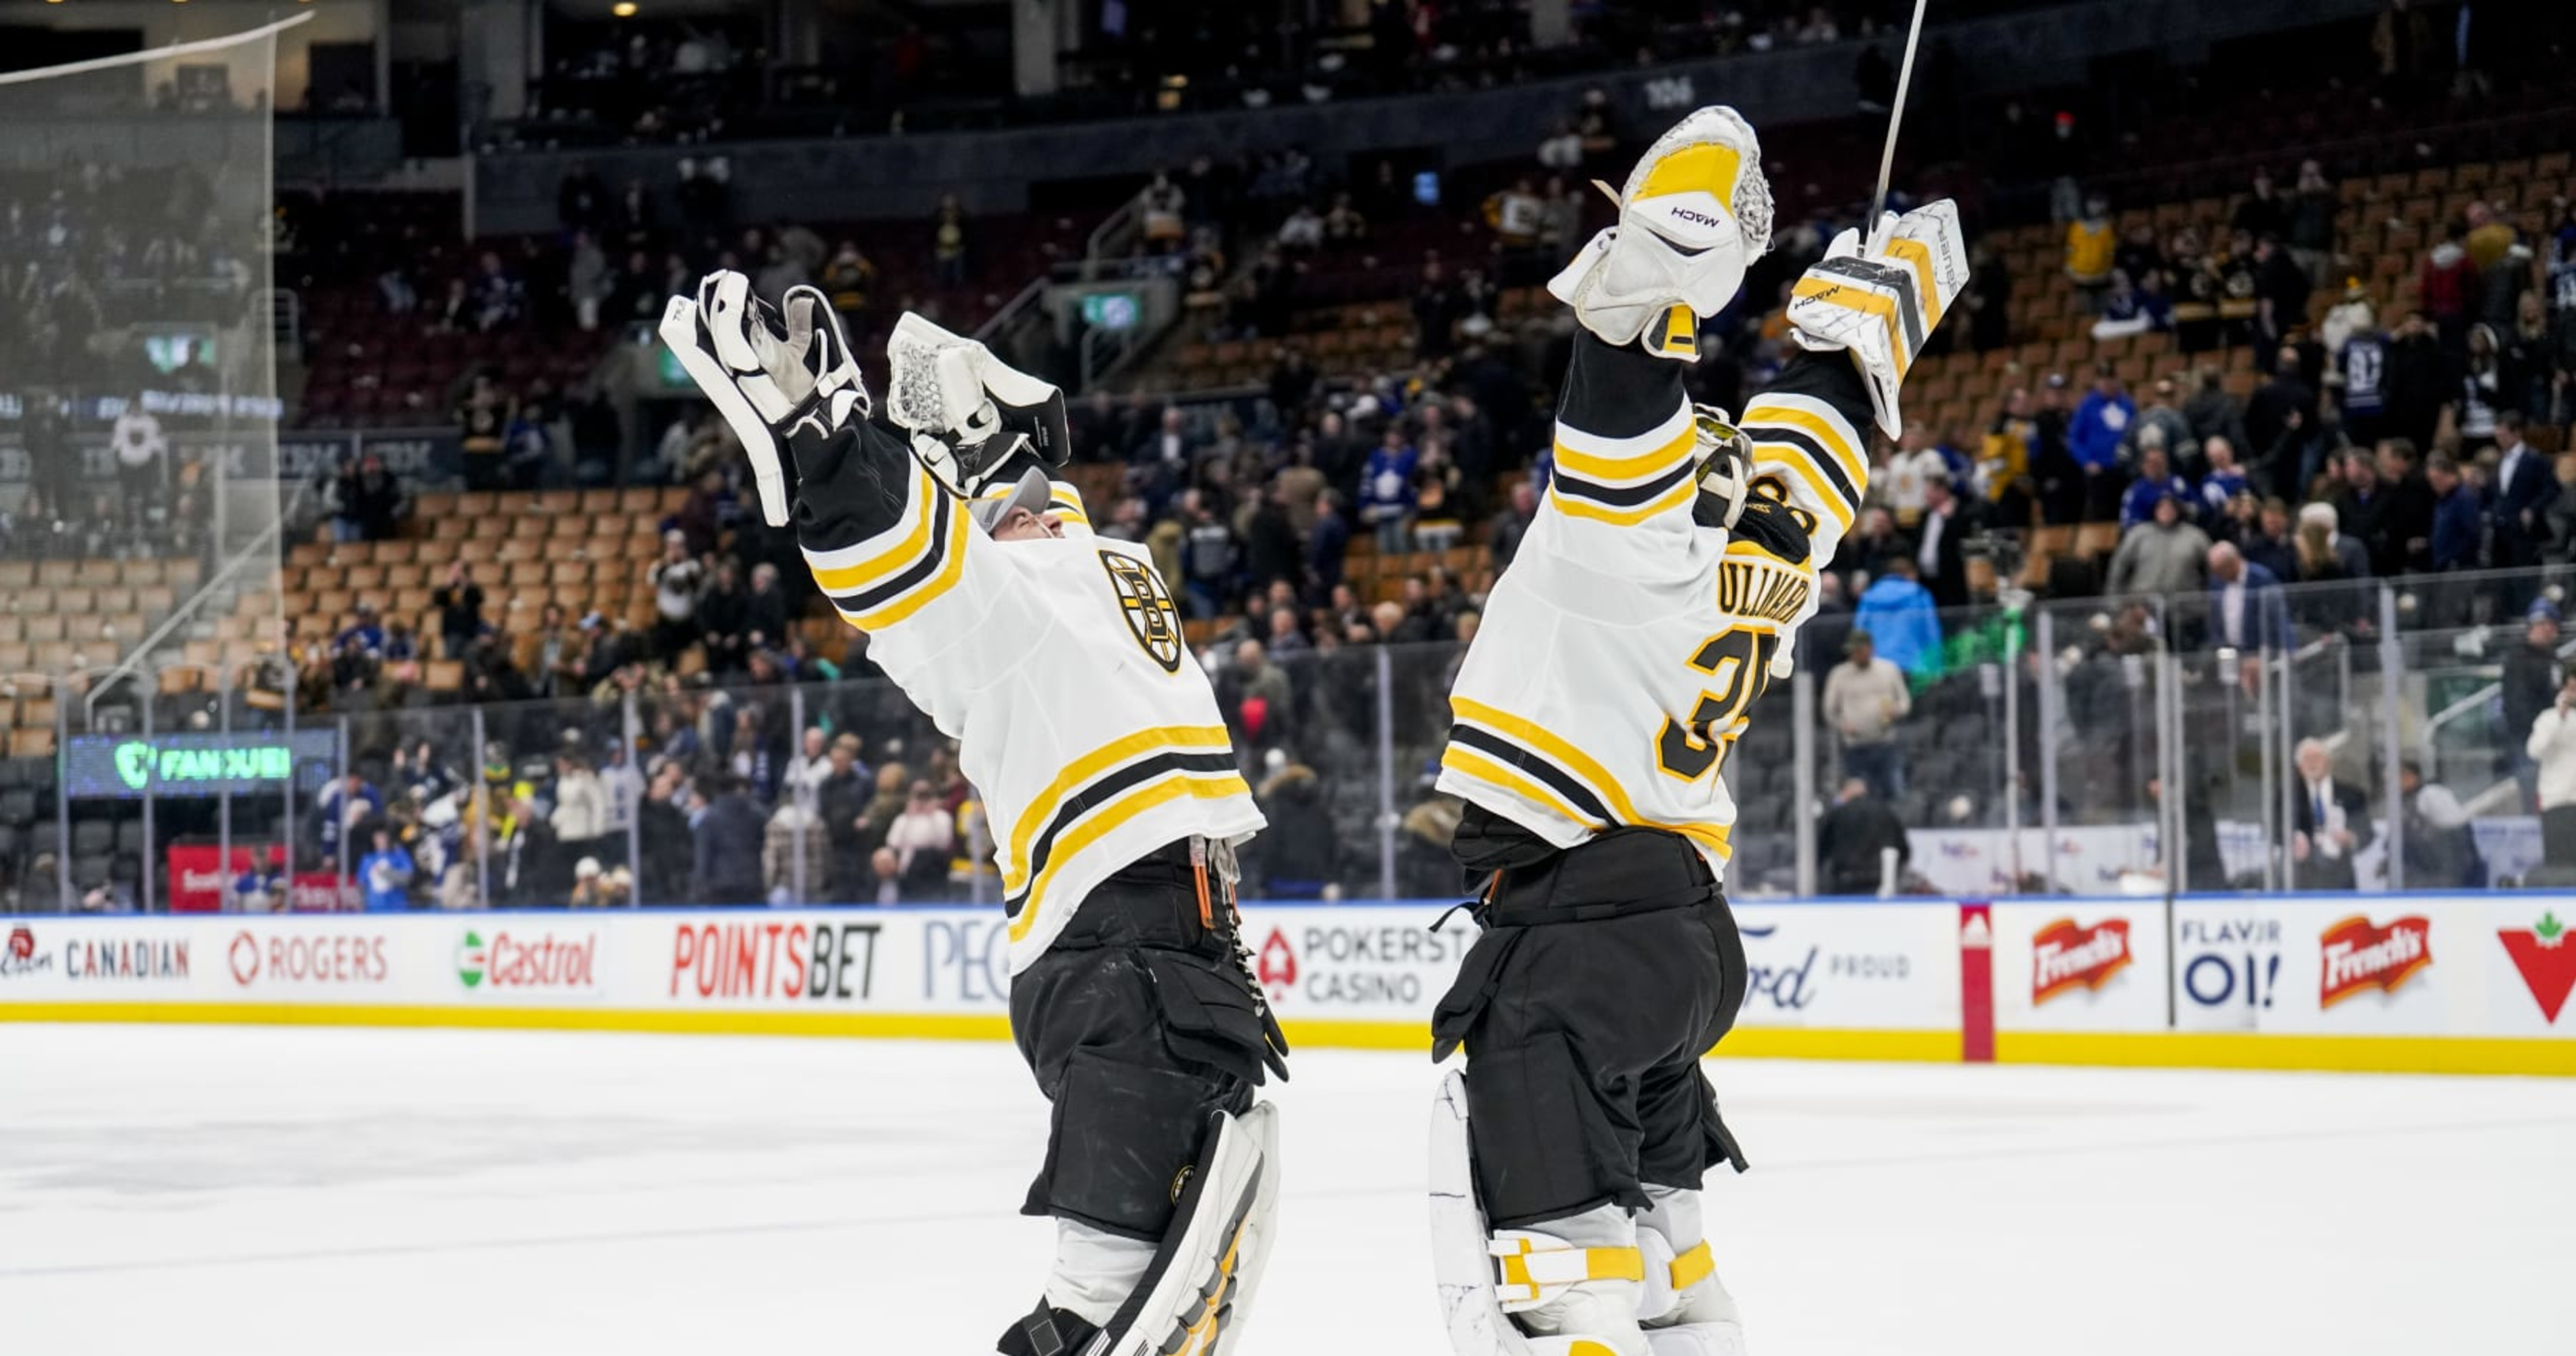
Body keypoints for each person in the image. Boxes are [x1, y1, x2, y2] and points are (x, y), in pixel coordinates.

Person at [1423, 104, 1964, 1356]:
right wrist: (1851, 341)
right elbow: (1818, 425)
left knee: (1570, 1293)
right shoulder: (1789, 535)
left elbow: (1620, 381)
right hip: (1685, 945)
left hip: (1573, 937)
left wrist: (1668, 251)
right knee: (1676, 1279)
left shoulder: (1628, 537)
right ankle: (1676, 1287)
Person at [664, 286, 1281, 1355]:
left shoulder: (1102, 567)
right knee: (1099, 1311)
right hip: (1121, 965)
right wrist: (824, 436)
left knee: (1128, 1304)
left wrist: (979, 443)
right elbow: (902, 555)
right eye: (1005, 491)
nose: (1034, 497)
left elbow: (1031, 506)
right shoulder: (1003, 612)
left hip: (1163, 954)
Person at [1823, 631, 1911, 801]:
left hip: (1885, 744)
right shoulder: (1839, 675)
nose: (1854, 655)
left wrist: (1896, 711)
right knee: (1859, 796)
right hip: (1856, 748)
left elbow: (1904, 702)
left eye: (1858, 651)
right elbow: (1829, 710)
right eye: (1852, 652)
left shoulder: (1889, 670)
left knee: (1892, 793)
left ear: (1869, 649)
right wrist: (1843, 725)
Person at [2289, 738, 2373, 891]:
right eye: (2307, 759)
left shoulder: (2352, 795)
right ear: (2300, 767)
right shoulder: (2288, 797)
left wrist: (2351, 838)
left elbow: (2366, 832)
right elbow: (2273, 829)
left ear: (2329, 762)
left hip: (2340, 877)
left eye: (2317, 758)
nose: (2312, 763)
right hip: (2301, 880)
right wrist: (2293, 838)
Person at [1817, 776, 1912, 894]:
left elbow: (1822, 847)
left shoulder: (1838, 814)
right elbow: (1902, 848)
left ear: (1846, 791)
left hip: (1845, 880)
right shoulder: (1886, 812)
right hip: (1879, 880)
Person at [2396, 760, 2482, 889]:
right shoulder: (2407, 800)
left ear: (2409, 776)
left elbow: (2454, 829)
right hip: (2429, 872)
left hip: (2446, 873)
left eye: (2394, 778)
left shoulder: (2432, 794)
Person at [2529, 675, 2576, 872]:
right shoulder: (2548, 718)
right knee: (2560, 867)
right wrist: (2560, 717)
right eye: (2572, 688)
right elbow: (2535, 750)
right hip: (2556, 801)